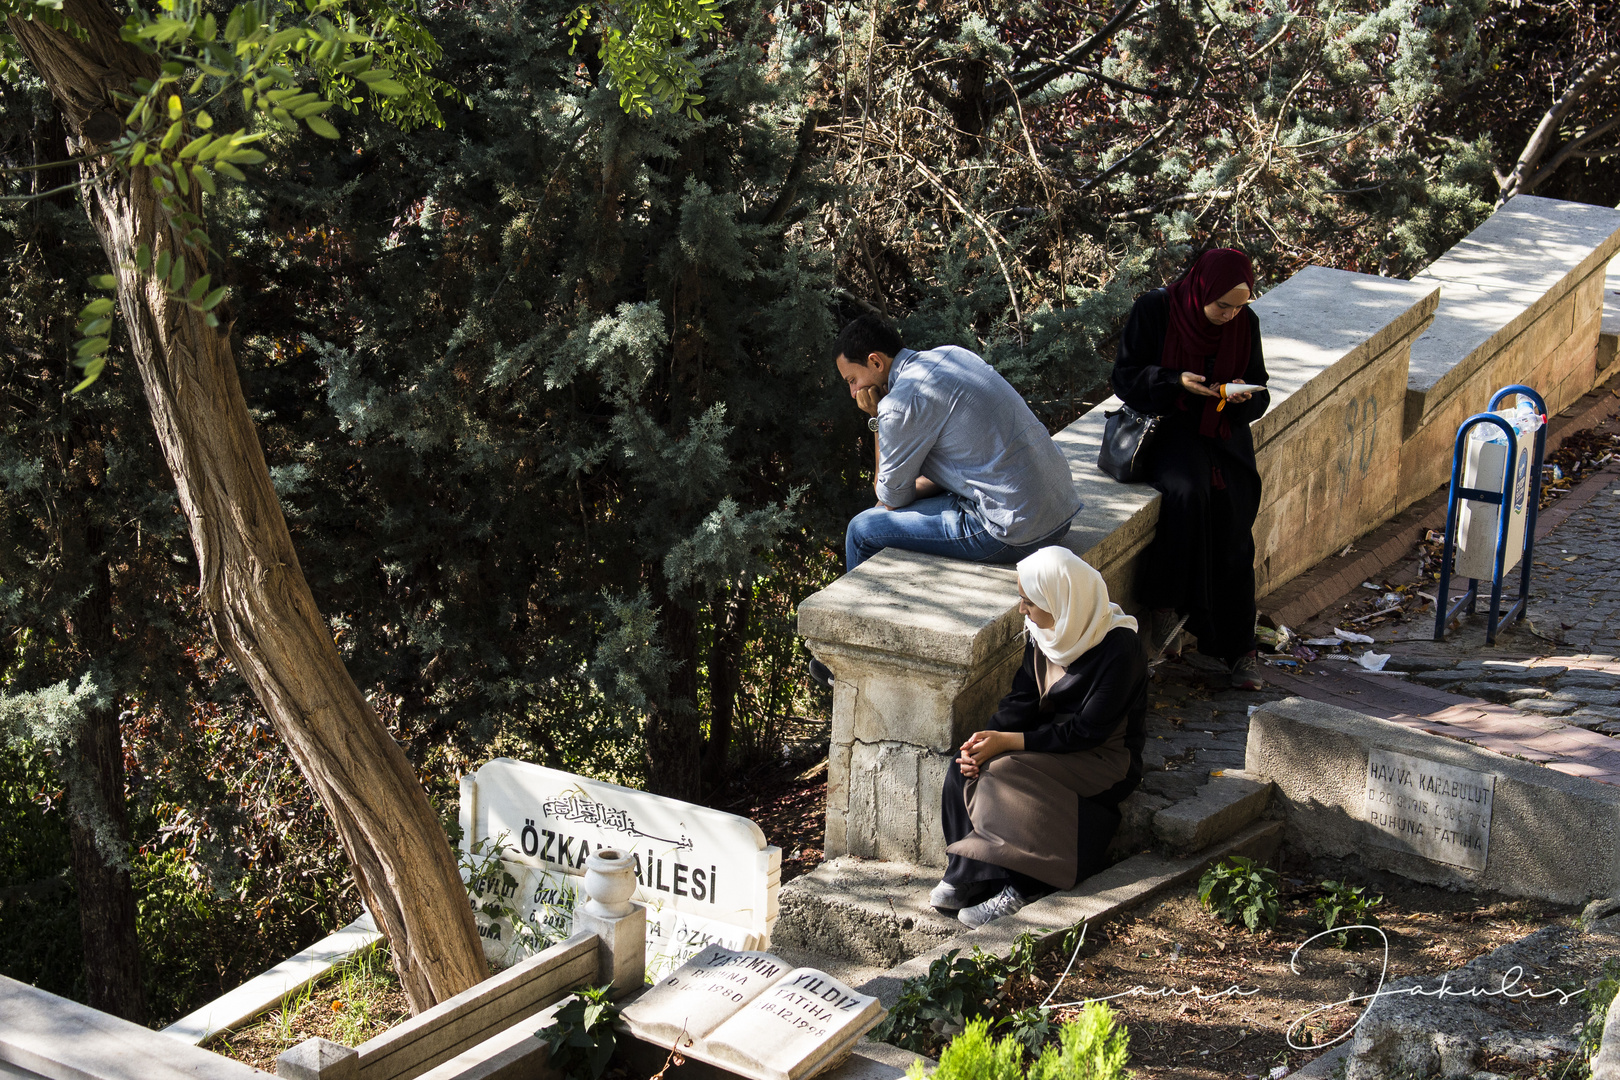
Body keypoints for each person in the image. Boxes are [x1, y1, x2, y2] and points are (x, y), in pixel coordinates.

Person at [930, 546, 1147, 928]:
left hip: (1104, 756)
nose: (1021, 609)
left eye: (1028, 600)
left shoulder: (1120, 649)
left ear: (1059, 599)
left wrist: (1008, 742)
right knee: (965, 767)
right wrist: (983, 740)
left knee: (1007, 772)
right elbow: (1020, 703)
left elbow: (1087, 731)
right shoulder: (1043, 634)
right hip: (1050, 741)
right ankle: (972, 874)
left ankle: (1024, 886)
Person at [1110, 248, 1270, 691]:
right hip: (1170, 427)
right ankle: (1166, 609)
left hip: (1222, 433)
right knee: (1186, 494)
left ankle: (1238, 647)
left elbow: (1261, 387)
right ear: (1202, 289)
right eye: (1222, 305)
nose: (1229, 315)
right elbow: (1125, 377)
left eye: (1239, 306)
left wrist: (1243, 396)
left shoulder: (1245, 324)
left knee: (1234, 520)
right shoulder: (1155, 310)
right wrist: (1173, 380)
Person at [832, 316, 1081, 573]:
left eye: (852, 380)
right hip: (1060, 512)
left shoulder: (899, 403)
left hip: (1017, 535)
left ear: (875, 361)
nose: (853, 393)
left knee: (862, 530)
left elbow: (889, 497)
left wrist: (877, 419)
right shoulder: (954, 355)